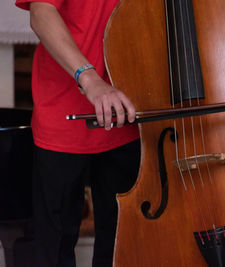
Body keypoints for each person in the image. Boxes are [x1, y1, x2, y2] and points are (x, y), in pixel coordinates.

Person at [15, 0, 140, 266]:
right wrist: (90, 77)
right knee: (53, 253)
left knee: (123, 252)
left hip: (131, 116)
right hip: (64, 114)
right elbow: (40, 12)